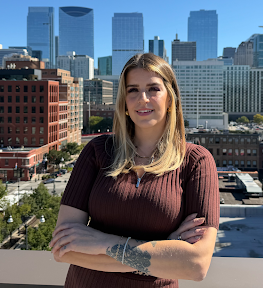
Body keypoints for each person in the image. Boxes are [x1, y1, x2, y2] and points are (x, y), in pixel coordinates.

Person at [50, 53, 219, 287]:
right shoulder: (97, 151)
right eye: (132, 90)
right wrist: (164, 252)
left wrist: (102, 243)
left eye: (153, 89)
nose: (143, 98)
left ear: (170, 98)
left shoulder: (196, 161)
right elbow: (63, 250)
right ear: (124, 101)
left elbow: (196, 264)